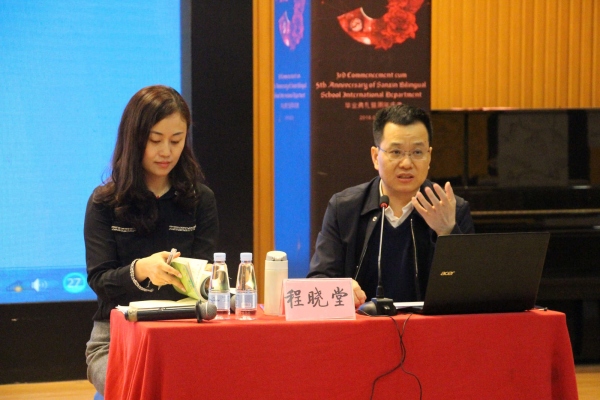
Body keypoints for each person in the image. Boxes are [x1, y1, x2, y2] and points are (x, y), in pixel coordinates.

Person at [84, 85, 219, 395]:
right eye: (155, 140)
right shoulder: (105, 202)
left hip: (183, 333)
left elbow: (204, 281)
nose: (166, 152)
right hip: (115, 338)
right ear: (134, 139)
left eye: (176, 140)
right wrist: (142, 270)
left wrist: (199, 278)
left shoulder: (200, 200)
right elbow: (100, 280)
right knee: (140, 390)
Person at [307, 104, 474, 308]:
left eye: (417, 152)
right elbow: (317, 281)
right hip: (362, 325)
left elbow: (470, 291)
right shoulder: (344, 209)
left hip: (428, 325)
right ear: (375, 157)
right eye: (396, 152)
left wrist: (447, 232)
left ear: (429, 156)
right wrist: (339, 289)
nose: (406, 163)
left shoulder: (453, 210)